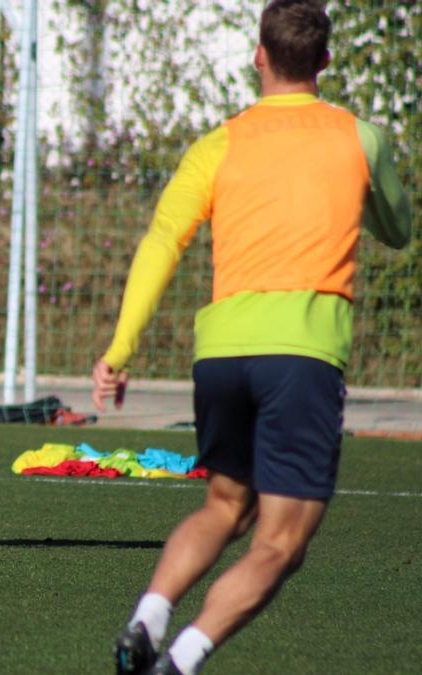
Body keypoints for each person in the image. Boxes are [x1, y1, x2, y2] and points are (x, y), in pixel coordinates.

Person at [91, 2, 413, 673]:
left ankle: (147, 615)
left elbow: (161, 244)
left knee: (225, 502)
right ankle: (178, 659)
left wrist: (119, 352)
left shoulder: (218, 142)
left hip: (221, 356)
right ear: (325, 62)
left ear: (258, 55)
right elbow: (398, 227)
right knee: (280, 541)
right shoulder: (361, 136)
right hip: (300, 356)